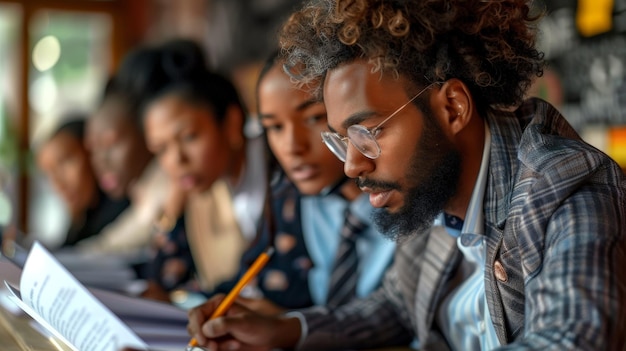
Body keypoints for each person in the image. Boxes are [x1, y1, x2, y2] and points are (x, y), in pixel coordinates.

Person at [185, 0, 626, 350]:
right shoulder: (431, 189)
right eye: (341, 139)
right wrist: (286, 331)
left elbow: (572, 340)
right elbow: (397, 305)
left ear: (452, 107)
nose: (352, 165)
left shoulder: (564, 186)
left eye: (369, 131)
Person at [137, 40, 268, 300]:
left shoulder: (283, 166)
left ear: (231, 124)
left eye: (189, 137)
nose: (176, 159)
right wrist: (172, 209)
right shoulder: (203, 190)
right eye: (161, 149)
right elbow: (164, 276)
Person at [35, 116, 129, 247]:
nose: (58, 183)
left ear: (91, 151)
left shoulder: (127, 211)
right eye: (49, 174)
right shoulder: (81, 221)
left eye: (64, 162)